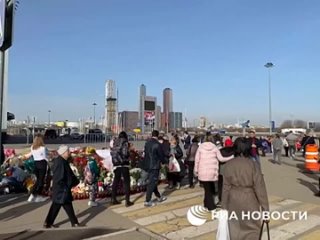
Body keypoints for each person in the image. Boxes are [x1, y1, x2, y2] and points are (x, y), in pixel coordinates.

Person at [221, 137, 269, 240]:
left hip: (233, 200)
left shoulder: (228, 165)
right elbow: (260, 189)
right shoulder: (253, 165)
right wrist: (265, 210)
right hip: (250, 200)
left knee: (234, 229)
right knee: (252, 229)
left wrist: (224, 206)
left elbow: (225, 188)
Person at [44, 145, 80, 228]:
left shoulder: (62, 161)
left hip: (61, 189)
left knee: (63, 205)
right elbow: (60, 177)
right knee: (61, 205)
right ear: (63, 153)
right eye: (68, 151)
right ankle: (74, 223)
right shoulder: (60, 162)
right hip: (61, 189)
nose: (69, 153)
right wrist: (67, 185)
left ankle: (74, 222)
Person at [194, 134, 233, 211]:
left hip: (202, 171)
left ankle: (210, 206)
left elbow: (197, 160)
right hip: (212, 172)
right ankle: (207, 204)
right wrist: (231, 157)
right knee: (210, 189)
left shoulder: (200, 148)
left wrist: (196, 170)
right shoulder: (215, 148)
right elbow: (221, 159)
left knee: (207, 189)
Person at [22, 134, 49, 202]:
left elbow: (31, 154)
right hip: (42, 164)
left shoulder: (32, 147)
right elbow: (46, 157)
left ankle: (32, 195)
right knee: (41, 181)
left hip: (36, 164)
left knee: (38, 180)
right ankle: (37, 195)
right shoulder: (43, 148)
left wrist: (24, 157)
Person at [143, 130, 167, 207]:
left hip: (147, 165)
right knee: (152, 182)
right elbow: (161, 155)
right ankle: (147, 200)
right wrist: (164, 162)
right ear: (157, 135)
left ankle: (159, 196)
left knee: (153, 181)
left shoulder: (147, 143)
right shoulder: (157, 144)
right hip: (155, 166)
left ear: (151, 135)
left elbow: (145, 154)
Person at [110, 131, 134, 207]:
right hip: (124, 164)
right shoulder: (125, 142)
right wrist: (129, 153)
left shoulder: (115, 142)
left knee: (116, 181)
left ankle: (113, 199)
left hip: (116, 164)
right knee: (127, 182)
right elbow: (125, 153)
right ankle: (127, 201)